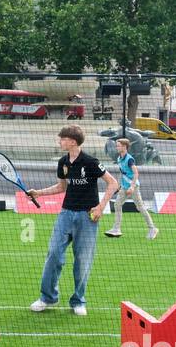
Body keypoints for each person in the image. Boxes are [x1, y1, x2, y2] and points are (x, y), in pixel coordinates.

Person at [27, 125, 119, 317]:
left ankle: (78, 300)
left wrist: (101, 206)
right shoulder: (63, 162)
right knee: (53, 254)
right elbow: (61, 187)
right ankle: (47, 297)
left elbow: (113, 183)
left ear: (72, 141)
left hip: (87, 217)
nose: (59, 141)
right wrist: (39, 193)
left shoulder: (91, 162)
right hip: (66, 214)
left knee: (82, 260)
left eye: (62, 138)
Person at [105, 138, 158, 240]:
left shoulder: (129, 159)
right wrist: (120, 185)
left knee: (140, 207)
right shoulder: (119, 158)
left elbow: (136, 173)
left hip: (133, 187)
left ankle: (152, 228)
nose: (117, 147)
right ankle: (116, 229)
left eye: (118, 145)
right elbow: (122, 173)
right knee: (117, 204)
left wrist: (132, 186)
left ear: (124, 147)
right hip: (124, 187)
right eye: (117, 145)